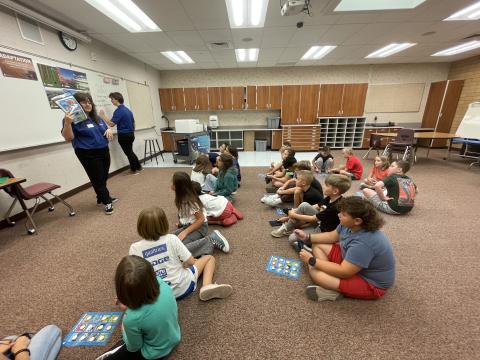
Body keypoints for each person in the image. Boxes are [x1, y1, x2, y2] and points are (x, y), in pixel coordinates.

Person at [295, 196, 395, 302]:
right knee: (317, 244)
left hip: (370, 282)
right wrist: (307, 237)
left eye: (343, 214)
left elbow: (345, 272)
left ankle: (332, 288)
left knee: (316, 273)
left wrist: (312, 261)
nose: (338, 215)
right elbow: (332, 236)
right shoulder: (348, 224)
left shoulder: (363, 243)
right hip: (352, 263)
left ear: (357, 221)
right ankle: (330, 275)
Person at [129, 207, 233, 301]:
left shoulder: (135, 248)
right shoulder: (172, 239)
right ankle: (207, 285)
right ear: (164, 223)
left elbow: (136, 277)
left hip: (157, 296)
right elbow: (191, 262)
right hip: (183, 289)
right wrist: (184, 264)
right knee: (209, 258)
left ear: (140, 226)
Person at [98, 255, 180, 359]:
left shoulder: (131, 319)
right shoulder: (163, 284)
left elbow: (134, 347)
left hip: (153, 353)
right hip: (173, 336)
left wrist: (124, 325)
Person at [61, 92, 117, 215]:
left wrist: (109, 129)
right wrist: (67, 123)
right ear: (76, 104)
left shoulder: (96, 117)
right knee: (97, 178)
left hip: (103, 150)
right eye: (84, 102)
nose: (88, 104)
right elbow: (68, 137)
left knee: (103, 176)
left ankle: (100, 197)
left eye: (89, 101)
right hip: (87, 153)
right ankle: (107, 201)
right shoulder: (70, 119)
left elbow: (105, 129)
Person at [271, 174, 351, 243]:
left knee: (292, 239)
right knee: (304, 205)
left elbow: (313, 218)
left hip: (325, 230)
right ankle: (287, 228)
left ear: (335, 191)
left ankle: (311, 246)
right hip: (321, 221)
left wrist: (294, 215)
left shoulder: (336, 206)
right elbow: (315, 206)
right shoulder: (330, 197)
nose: (323, 186)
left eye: (326, 185)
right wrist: (292, 214)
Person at [172, 172, 230, 258]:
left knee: (179, 250)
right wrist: (181, 224)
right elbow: (186, 215)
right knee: (171, 240)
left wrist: (185, 232)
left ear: (179, 187)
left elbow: (201, 219)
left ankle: (211, 239)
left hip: (200, 228)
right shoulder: (181, 197)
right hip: (188, 226)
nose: (171, 185)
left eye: (173, 183)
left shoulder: (190, 201)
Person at [99, 92, 142, 175]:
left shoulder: (119, 111)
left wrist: (103, 116)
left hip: (124, 135)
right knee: (130, 152)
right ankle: (138, 167)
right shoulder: (127, 110)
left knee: (129, 153)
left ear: (117, 99)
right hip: (130, 134)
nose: (111, 101)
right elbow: (134, 123)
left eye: (112, 99)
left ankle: (133, 169)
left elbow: (111, 124)